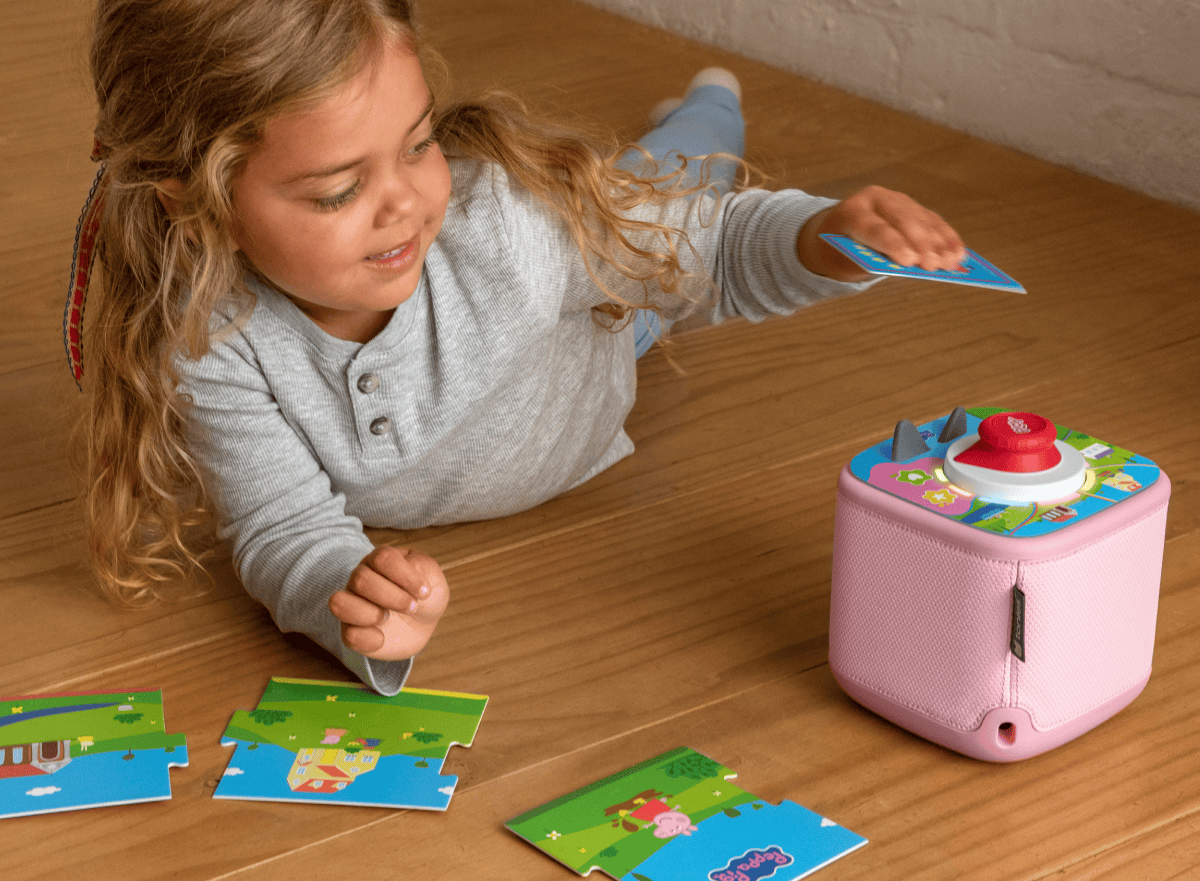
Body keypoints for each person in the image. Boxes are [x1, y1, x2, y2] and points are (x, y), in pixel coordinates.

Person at [73, 0, 965, 694]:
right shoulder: (204, 336)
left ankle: (713, 100)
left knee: (680, 174)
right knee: (656, 189)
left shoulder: (509, 224)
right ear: (193, 203)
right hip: (562, 303)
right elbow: (282, 527)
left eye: (418, 143)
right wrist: (351, 596)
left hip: (595, 330)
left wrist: (825, 239)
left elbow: (720, 248)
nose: (406, 204)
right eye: (338, 190)